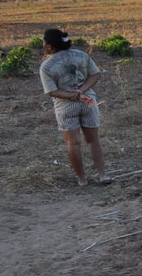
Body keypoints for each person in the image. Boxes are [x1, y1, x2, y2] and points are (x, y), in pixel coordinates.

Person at [39, 28, 113, 186]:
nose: (43, 45)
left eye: (44, 42)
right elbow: (95, 75)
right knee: (93, 140)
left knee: (73, 143)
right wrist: (81, 91)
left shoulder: (46, 66)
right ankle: (102, 175)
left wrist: (71, 95)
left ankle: (81, 179)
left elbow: (52, 91)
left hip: (65, 107)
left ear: (50, 46)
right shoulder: (82, 56)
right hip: (88, 102)